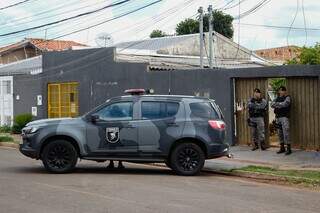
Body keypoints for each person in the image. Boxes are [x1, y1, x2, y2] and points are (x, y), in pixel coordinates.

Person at [271, 86, 292, 155]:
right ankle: (282, 147)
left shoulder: (287, 98)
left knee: (286, 132)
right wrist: (279, 104)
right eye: (280, 91)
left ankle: (288, 148)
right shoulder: (277, 98)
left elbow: (285, 104)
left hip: (284, 117)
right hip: (278, 117)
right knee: (279, 133)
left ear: (285, 91)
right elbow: (271, 104)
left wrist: (277, 104)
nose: (280, 92)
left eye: (282, 90)